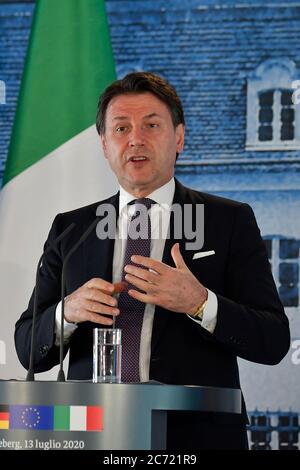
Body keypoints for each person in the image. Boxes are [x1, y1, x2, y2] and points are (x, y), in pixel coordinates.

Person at [15, 72, 290, 450]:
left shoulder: (229, 221)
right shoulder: (71, 230)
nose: (135, 139)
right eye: (121, 128)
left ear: (179, 137)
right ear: (104, 145)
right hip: (92, 435)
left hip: (196, 438)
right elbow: (26, 345)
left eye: (151, 125)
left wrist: (200, 303)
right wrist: (68, 312)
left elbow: (274, 340)